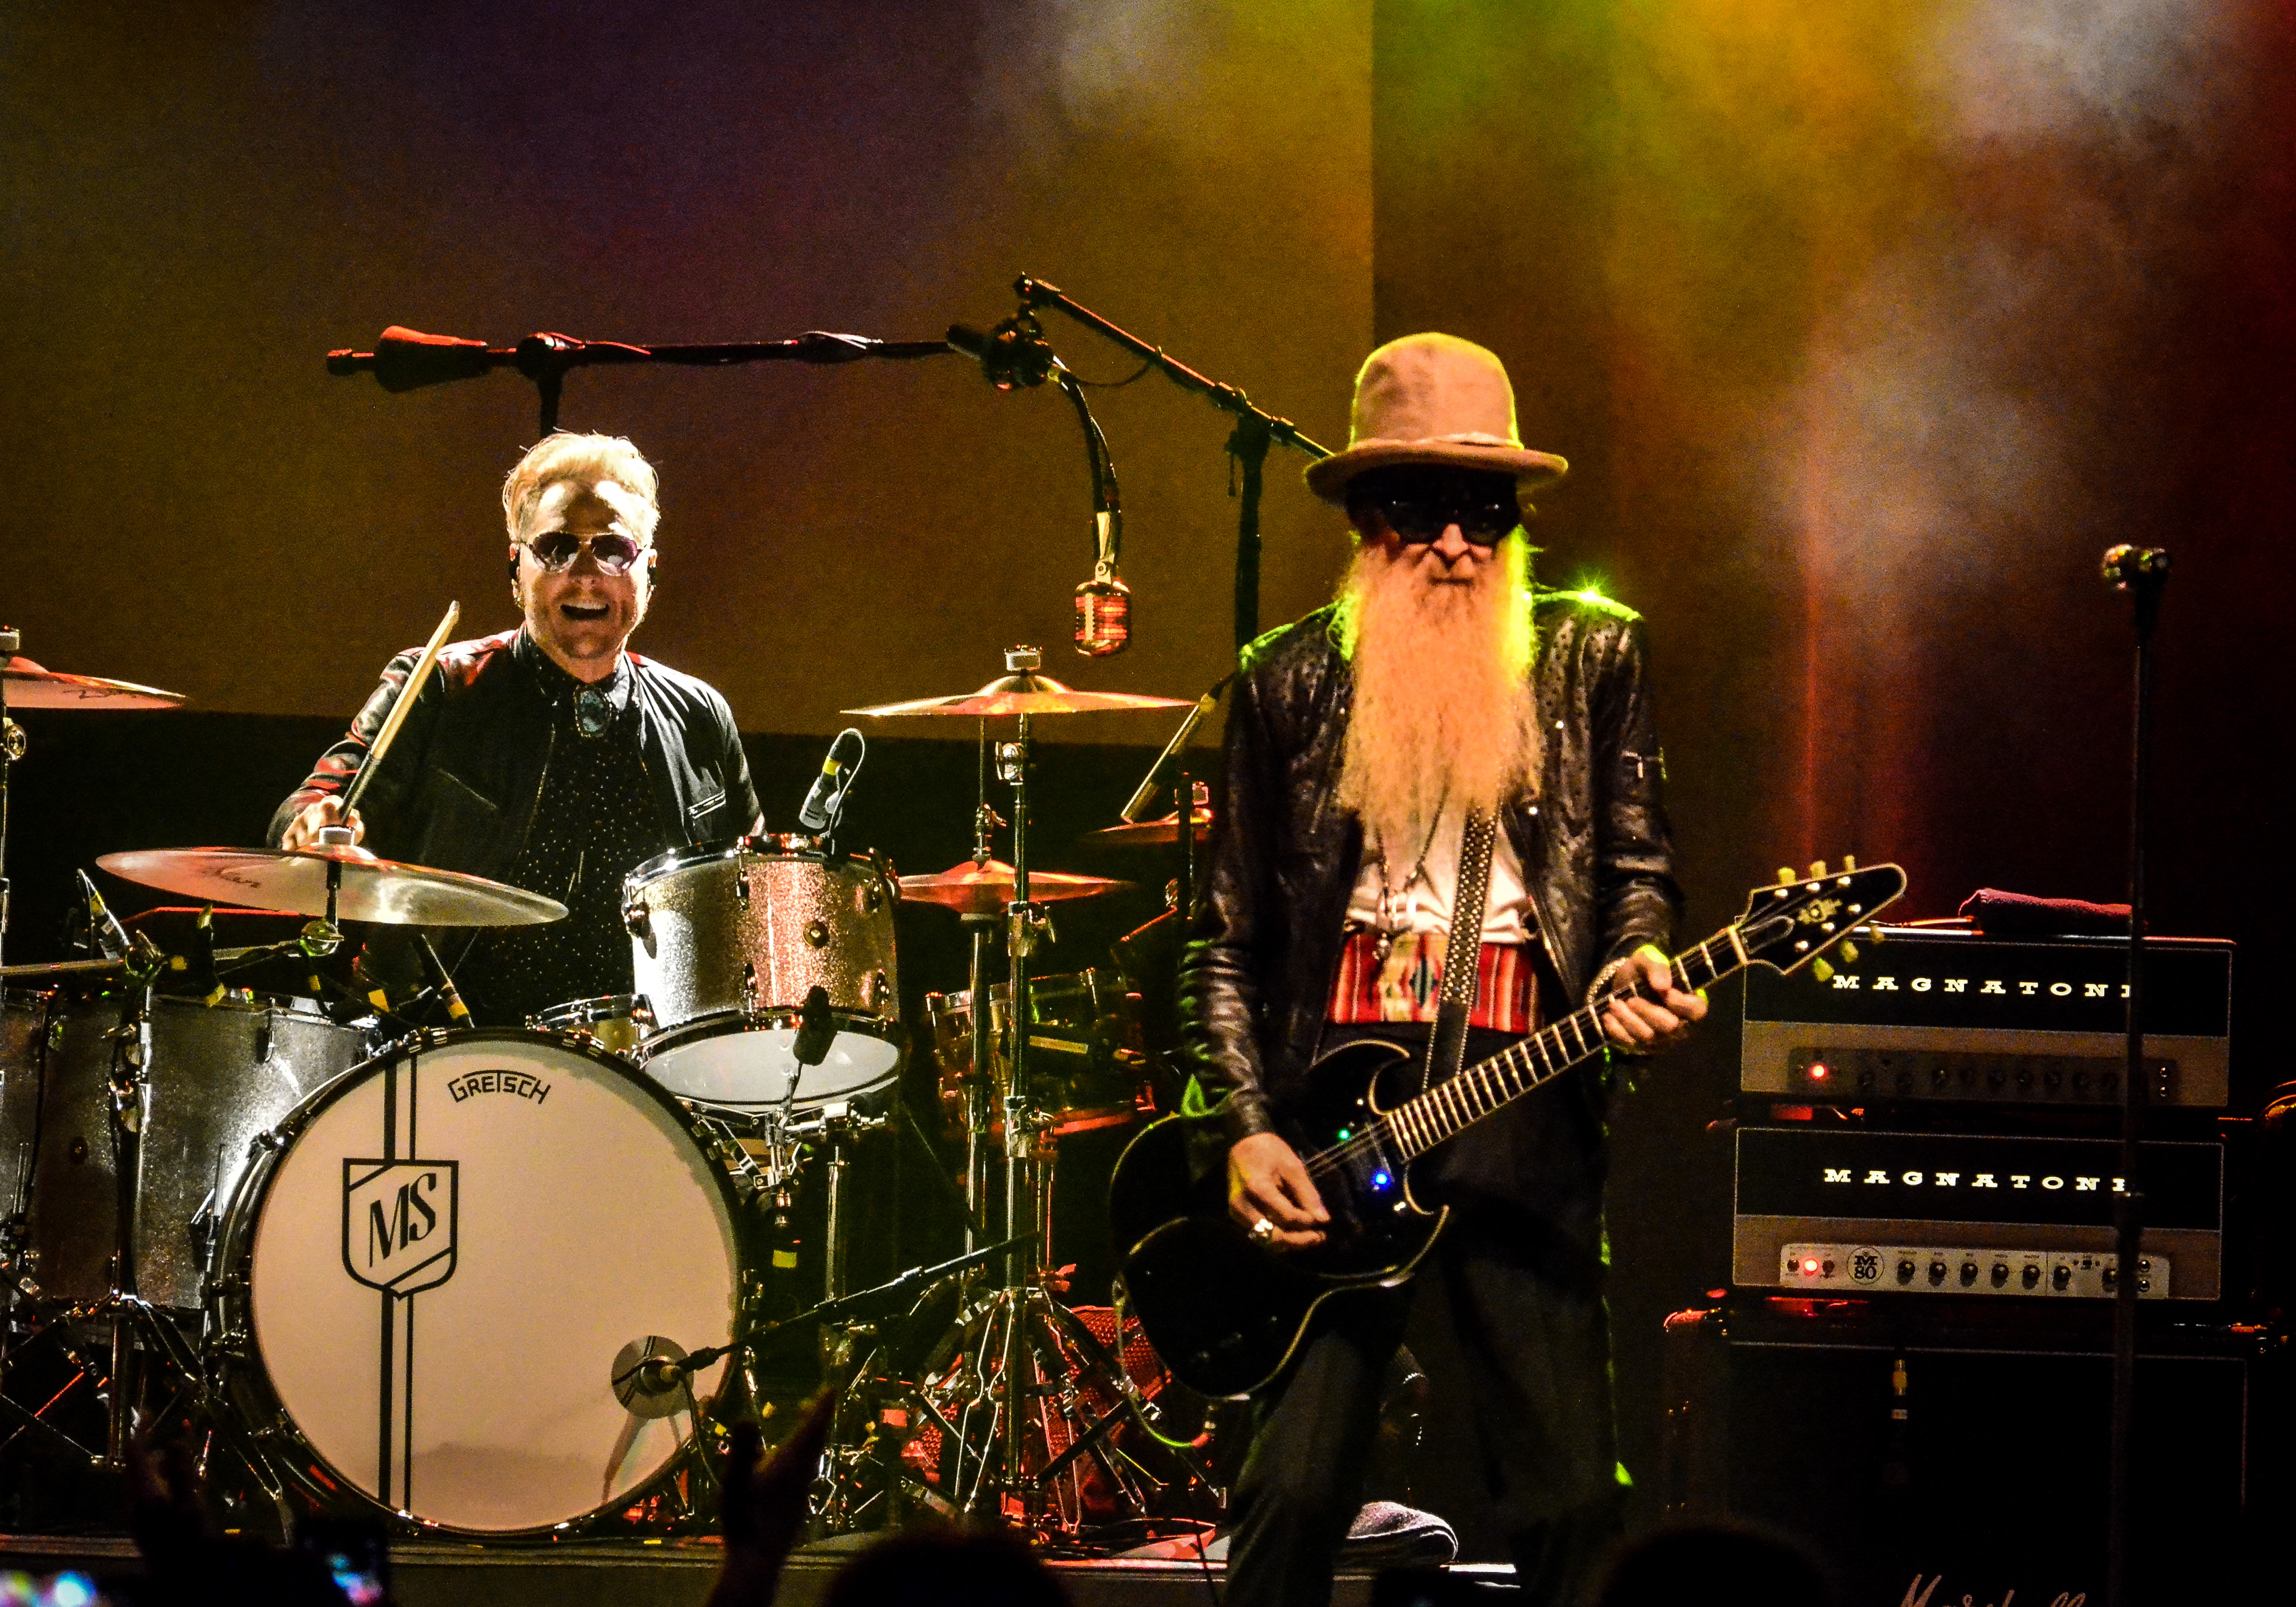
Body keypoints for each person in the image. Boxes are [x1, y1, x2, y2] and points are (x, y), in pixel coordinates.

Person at [1179, 333, 1707, 1607]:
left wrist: (1638, 960)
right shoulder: (1287, 684)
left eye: (1487, 512)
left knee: (1573, 1498)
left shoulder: (1591, 661)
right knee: (1295, 1492)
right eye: (1427, 512)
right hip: (1338, 1132)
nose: (1463, 546)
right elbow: (1224, 937)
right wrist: (1248, 1129)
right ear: (1369, 518)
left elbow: (1635, 863)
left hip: (1524, 1103)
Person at [270, 432, 763, 1025]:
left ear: (648, 574)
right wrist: (313, 823)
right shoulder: (439, 685)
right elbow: (316, 803)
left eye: (613, 549)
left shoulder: (699, 714)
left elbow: (753, 893)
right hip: (445, 1040)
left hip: (647, 1063)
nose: (586, 574)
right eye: (557, 547)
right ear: (516, 569)